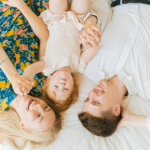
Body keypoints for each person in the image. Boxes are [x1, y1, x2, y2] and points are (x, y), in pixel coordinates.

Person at [3, 0, 102, 112]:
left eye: (56, 87)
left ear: (48, 80)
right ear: (73, 85)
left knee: (57, 2)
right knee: (82, 3)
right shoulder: (78, 67)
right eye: (66, 88)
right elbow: (92, 50)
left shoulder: (48, 67)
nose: (62, 84)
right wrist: (90, 40)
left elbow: (32, 68)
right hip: (77, 22)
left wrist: (27, 77)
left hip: (55, 19)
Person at [78, 2, 150, 137]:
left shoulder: (90, 68)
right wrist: (131, 119)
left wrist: (89, 25)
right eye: (96, 102)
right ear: (116, 109)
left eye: (87, 99)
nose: (92, 93)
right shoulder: (146, 87)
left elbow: (94, 12)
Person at [0, 0, 61, 149]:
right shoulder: (38, 85)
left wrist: (13, 76)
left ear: (23, 125)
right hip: (29, 9)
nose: (39, 106)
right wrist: (21, 5)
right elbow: (45, 38)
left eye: (37, 116)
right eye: (46, 108)